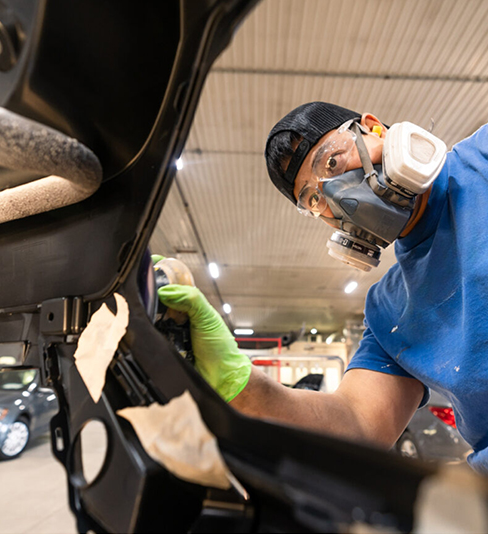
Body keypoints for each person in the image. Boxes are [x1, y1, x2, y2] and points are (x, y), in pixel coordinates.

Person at [157, 101, 488, 475]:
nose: (336, 196)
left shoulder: (483, 159)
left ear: (373, 128)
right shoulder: (391, 311)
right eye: (314, 199)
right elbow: (356, 424)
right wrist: (240, 384)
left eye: (331, 164)